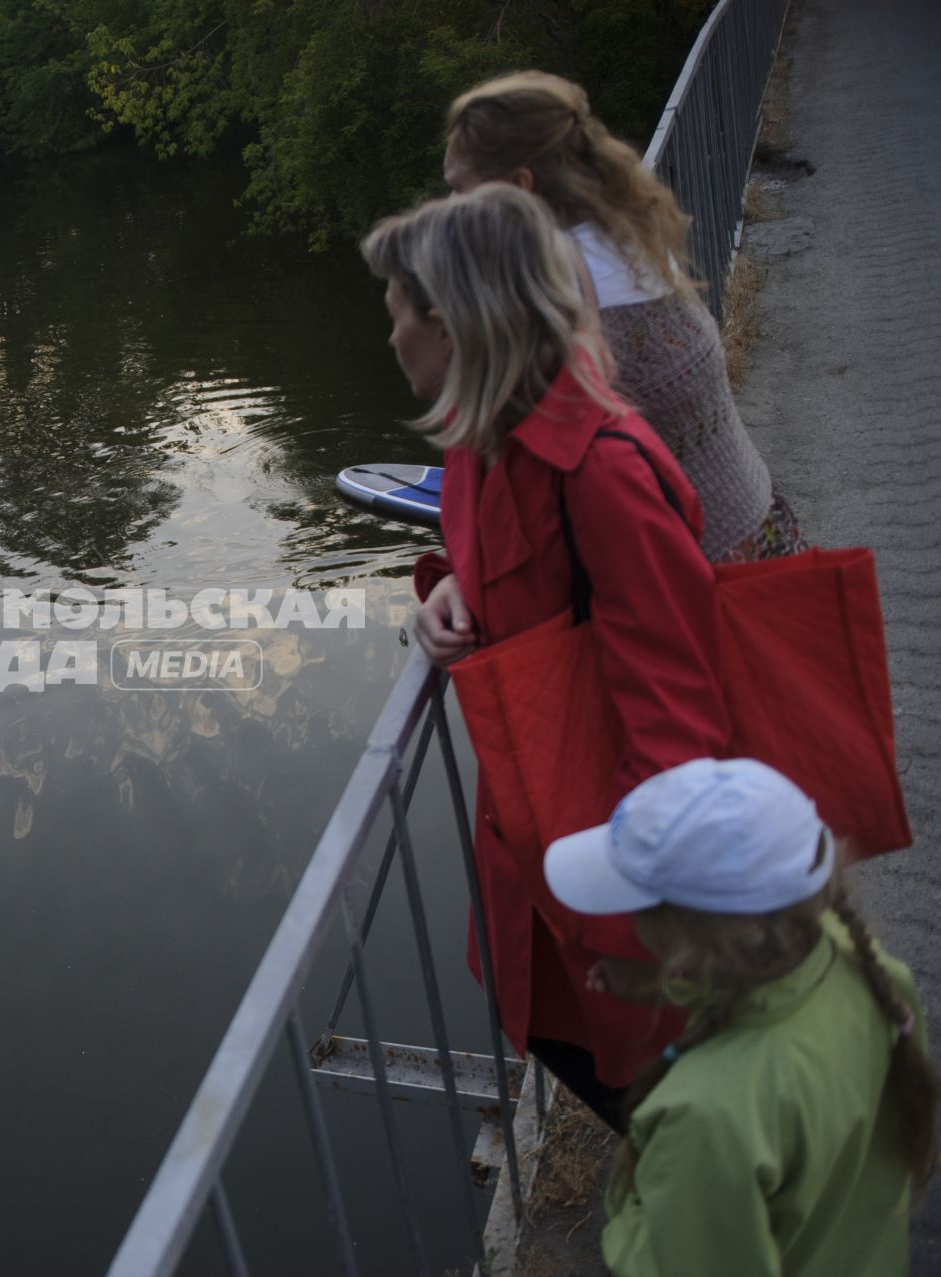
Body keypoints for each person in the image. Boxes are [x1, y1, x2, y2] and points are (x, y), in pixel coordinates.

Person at [363, 185, 730, 1126]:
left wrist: (642, 932)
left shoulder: (603, 470)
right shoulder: (485, 445)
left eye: (395, 313)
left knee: (677, 1116)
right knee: (572, 1050)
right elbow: (505, 569)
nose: (390, 335)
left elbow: (680, 720)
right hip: (538, 852)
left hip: (617, 888)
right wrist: (447, 591)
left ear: (447, 325)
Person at [545, 758, 935, 1277]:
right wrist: (667, 983)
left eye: (635, 906)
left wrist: (631, 1214)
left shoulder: (707, 1114)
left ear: (687, 939)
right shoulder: (866, 969)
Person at [444, 70, 806, 563]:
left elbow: (523, 486)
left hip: (698, 574)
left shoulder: (558, 294)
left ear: (520, 188)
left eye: (460, 189)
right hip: (760, 525)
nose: (449, 208)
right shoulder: (619, 233)